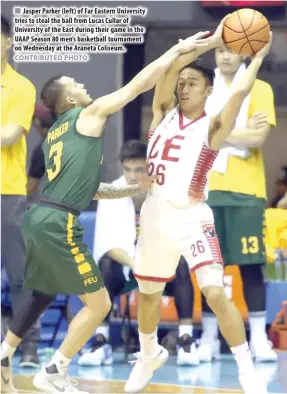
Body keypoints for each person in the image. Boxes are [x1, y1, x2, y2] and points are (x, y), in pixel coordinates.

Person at [0, 32, 210, 393]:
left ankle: (5, 356)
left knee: (42, 292)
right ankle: (53, 370)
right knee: (99, 305)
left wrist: (127, 190)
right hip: (58, 223)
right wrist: (175, 50)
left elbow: (84, 187)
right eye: (76, 83)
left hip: (40, 215)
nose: (83, 85)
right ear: (69, 99)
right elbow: (136, 86)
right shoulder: (88, 113)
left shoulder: (54, 136)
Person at [124, 18, 273, 394]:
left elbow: (238, 94)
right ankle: (147, 355)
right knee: (148, 296)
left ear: (208, 91)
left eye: (192, 83)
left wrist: (254, 60)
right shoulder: (161, 111)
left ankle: (246, 368)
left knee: (216, 292)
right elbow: (169, 68)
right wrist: (201, 45)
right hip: (155, 215)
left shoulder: (213, 126)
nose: (184, 86)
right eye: (182, 83)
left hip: (193, 217)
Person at [78, 140, 198, 368]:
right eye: (128, 170)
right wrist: (136, 264)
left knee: (181, 262)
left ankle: (186, 339)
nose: (133, 176)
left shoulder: (167, 193)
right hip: (127, 270)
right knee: (103, 264)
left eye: (139, 170)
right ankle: (101, 341)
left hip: (161, 268)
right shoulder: (111, 192)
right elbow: (107, 245)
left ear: (150, 168)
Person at [199, 42, 277, 363]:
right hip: (205, 189)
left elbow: (257, 139)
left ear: (244, 54)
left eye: (231, 51)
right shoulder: (203, 87)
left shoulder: (260, 88)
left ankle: (258, 339)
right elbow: (194, 130)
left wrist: (215, 128)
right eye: (220, 51)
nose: (225, 56)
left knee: (251, 265)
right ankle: (207, 338)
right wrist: (234, 131)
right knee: (209, 268)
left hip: (247, 192)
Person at [1, 14, 41, 368]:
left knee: (19, 276)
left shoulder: (20, 87)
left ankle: (27, 347)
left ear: (9, 42)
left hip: (7, 193)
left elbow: (9, 135)